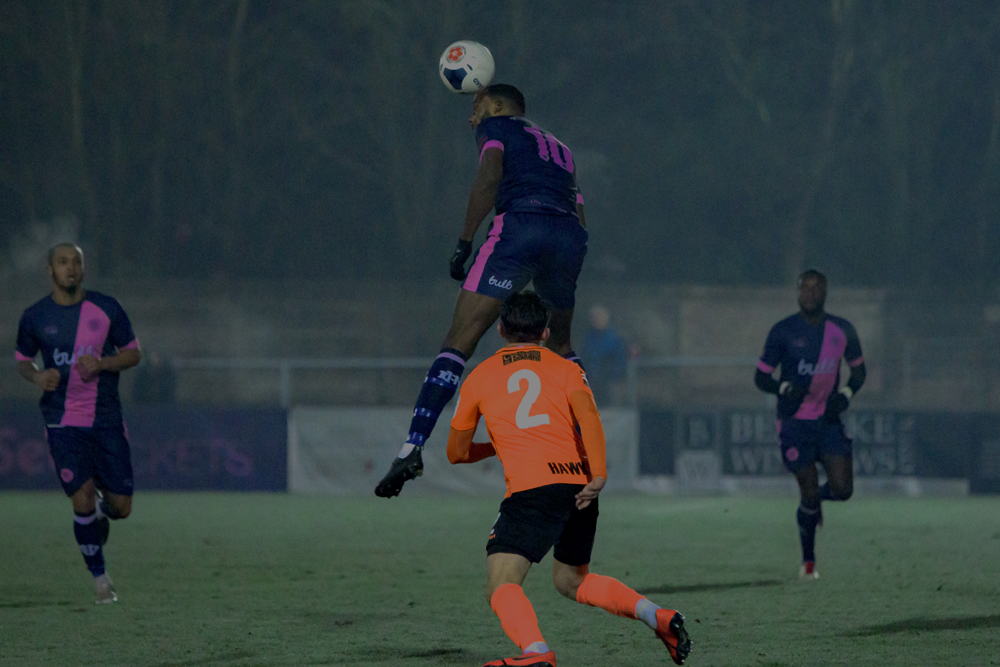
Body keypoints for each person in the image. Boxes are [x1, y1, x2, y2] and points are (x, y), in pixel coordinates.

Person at [446, 292, 692, 667]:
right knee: (571, 580)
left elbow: (456, 452)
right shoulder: (565, 369)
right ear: (545, 332)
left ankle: (536, 653)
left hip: (532, 490)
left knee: (501, 583)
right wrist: (599, 473)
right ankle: (656, 616)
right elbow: (589, 417)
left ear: (500, 330)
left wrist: (494, 446)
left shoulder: (479, 377)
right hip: (580, 485)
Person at [375, 83, 589, 498]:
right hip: (568, 236)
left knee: (459, 341)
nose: (472, 116)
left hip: (519, 228)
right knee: (561, 346)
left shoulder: (497, 128)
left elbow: (490, 176)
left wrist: (465, 241)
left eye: (476, 106)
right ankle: (584, 448)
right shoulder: (561, 148)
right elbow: (577, 206)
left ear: (498, 106)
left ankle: (412, 447)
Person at [15, 243, 141, 603]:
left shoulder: (107, 308)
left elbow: (133, 353)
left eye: (76, 262)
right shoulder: (35, 316)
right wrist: (38, 376)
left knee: (121, 507)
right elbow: (23, 359)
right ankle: (100, 580)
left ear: (83, 269)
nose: (70, 268)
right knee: (81, 496)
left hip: (105, 418)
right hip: (62, 420)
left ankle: (102, 509)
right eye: (62, 262)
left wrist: (103, 363)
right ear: (50, 270)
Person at [754, 269, 866, 579]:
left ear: (825, 292)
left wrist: (845, 395)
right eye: (805, 287)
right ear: (797, 292)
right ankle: (808, 563)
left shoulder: (842, 330)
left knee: (843, 490)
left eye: (816, 288)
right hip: (794, 424)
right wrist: (783, 388)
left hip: (827, 422)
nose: (810, 293)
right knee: (808, 490)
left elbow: (859, 372)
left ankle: (816, 499)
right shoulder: (782, 331)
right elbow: (761, 377)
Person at [580, 304, 627, 405]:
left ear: (606, 318)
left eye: (600, 317)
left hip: (610, 381)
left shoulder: (614, 338)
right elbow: (585, 357)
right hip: (592, 381)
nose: (597, 320)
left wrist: (615, 378)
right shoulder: (588, 338)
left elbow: (619, 359)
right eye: (594, 317)